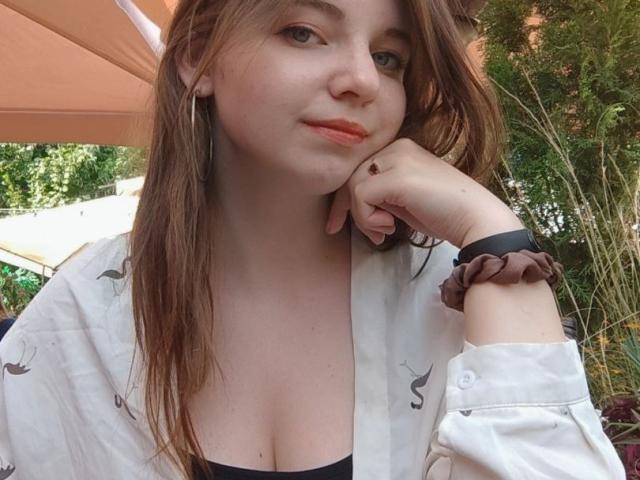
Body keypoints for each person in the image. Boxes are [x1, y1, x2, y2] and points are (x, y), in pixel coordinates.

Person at [0, 1, 625, 479]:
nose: (362, 80)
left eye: (389, 57)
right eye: (304, 33)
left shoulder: (456, 296)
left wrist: (488, 227)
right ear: (198, 57)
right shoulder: (83, 317)